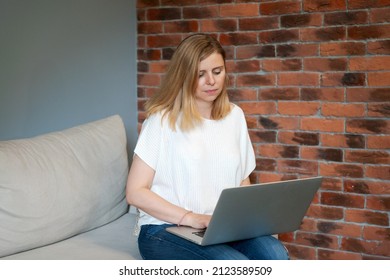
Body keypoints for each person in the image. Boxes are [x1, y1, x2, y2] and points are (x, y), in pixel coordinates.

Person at [126, 33, 289, 260]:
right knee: (233, 264)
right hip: (163, 229)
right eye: (200, 74)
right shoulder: (161, 120)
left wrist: (254, 221)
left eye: (217, 71)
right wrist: (190, 217)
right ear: (183, 76)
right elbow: (135, 192)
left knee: (276, 256)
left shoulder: (234, 116)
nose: (211, 81)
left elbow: (242, 181)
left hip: (220, 227)